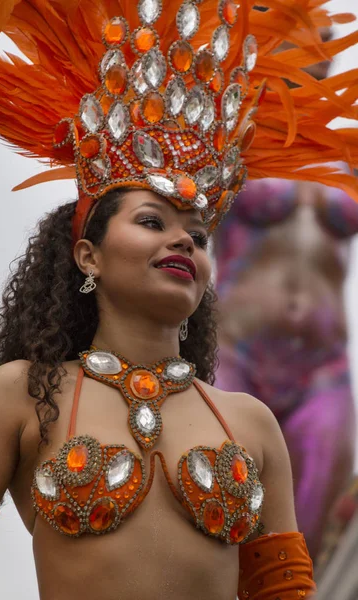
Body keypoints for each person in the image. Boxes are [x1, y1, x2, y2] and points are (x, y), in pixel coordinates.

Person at [0, 1, 357, 599]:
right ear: (88, 255)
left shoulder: (250, 422)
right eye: (151, 221)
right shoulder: (23, 393)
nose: (182, 241)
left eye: (198, 236)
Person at [214, 29, 357, 561]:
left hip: (324, 370)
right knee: (222, 518)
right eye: (302, 35)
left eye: (326, 40)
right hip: (236, 354)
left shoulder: (347, 152)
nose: (317, 48)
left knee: (304, 544)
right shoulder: (233, 133)